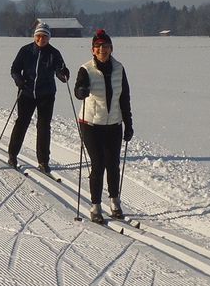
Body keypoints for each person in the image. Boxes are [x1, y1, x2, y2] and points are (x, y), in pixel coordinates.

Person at [73, 29, 133, 224]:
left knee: (113, 165)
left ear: (111, 48)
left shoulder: (119, 68)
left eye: (105, 46)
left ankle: (115, 202)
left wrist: (128, 123)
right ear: (93, 50)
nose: (102, 50)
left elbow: (124, 98)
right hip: (90, 124)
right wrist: (82, 91)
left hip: (114, 124)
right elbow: (78, 90)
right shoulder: (86, 69)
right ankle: (95, 206)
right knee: (98, 165)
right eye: (98, 47)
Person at [8, 22, 69, 173]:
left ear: (49, 38)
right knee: (21, 123)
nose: (41, 39)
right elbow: (15, 69)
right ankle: (12, 155)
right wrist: (18, 80)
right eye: (39, 36)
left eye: (45, 36)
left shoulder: (54, 53)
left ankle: (43, 161)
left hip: (46, 95)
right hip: (26, 93)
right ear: (35, 36)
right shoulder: (26, 50)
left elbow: (60, 71)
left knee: (43, 127)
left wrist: (63, 74)